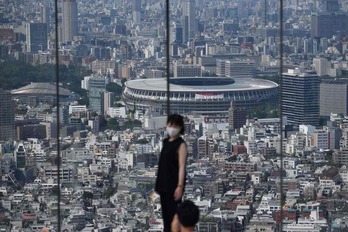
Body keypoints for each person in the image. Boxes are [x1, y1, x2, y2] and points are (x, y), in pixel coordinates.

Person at [155, 114, 187, 232]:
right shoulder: (165, 142)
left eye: (174, 125)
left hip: (173, 185)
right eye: (170, 124)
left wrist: (180, 186)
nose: (171, 127)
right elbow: (162, 165)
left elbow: (182, 167)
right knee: (166, 218)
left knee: (175, 216)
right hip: (163, 185)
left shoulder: (181, 145)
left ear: (180, 127)